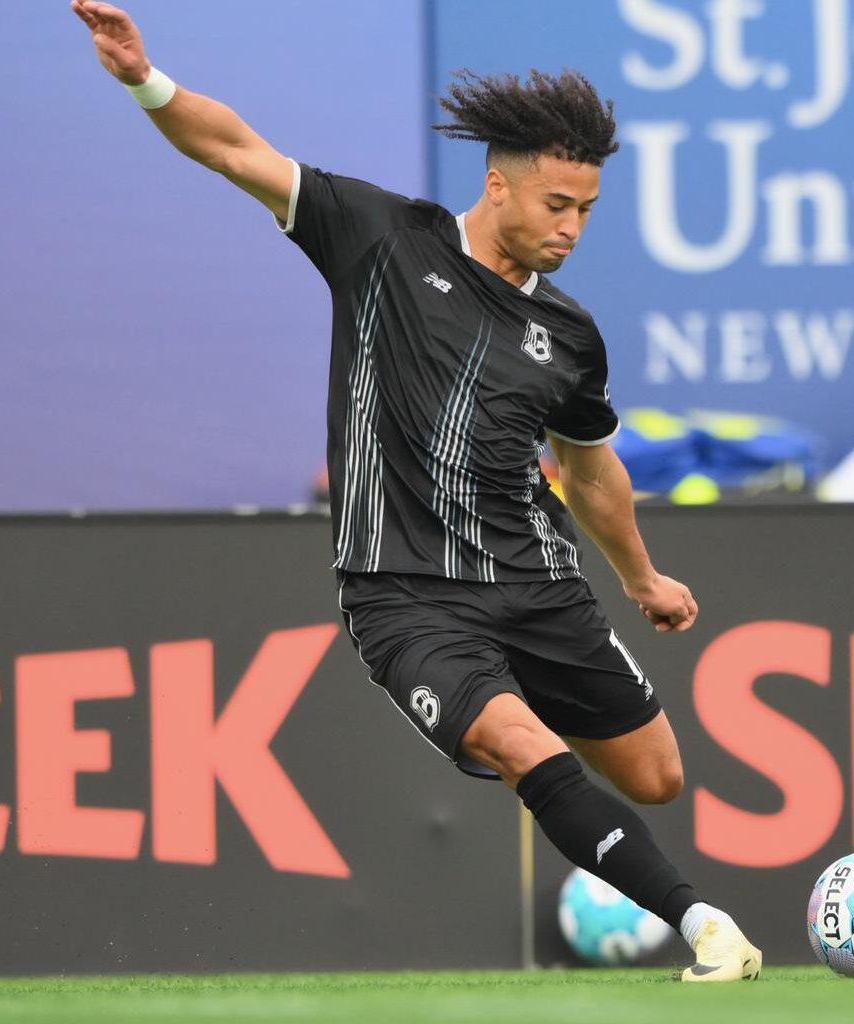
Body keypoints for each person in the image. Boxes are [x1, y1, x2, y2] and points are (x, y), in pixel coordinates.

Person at [71, 1, 761, 981]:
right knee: (521, 745)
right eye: (557, 204)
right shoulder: (381, 238)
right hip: (404, 597)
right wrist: (146, 78)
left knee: (657, 777)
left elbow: (591, 469)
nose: (572, 227)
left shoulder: (569, 336)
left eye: (587, 210)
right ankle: (704, 927)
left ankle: (549, 748)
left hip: (537, 581)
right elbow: (233, 149)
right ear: (498, 184)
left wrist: (642, 578)